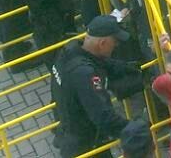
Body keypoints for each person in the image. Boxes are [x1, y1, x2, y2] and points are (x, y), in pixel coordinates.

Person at [50, 15, 144, 157]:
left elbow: (102, 63)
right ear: (102, 43)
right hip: (87, 145)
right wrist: (135, 129)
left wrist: (133, 68)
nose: (116, 45)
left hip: (68, 130)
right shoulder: (85, 74)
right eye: (115, 41)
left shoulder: (71, 50)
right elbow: (104, 118)